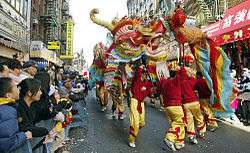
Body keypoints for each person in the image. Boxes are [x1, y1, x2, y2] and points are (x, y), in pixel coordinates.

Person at [156, 68, 185, 151]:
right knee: (179, 122)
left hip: (167, 107)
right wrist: (181, 68)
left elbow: (158, 87)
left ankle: (179, 142)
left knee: (176, 124)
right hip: (176, 105)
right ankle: (170, 138)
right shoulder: (176, 80)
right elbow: (183, 74)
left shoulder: (164, 82)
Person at [0, 77, 32, 152]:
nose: (19, 89)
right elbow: (7, 144)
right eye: (16, 87)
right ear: (8, 95)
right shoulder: (7, 111)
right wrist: (24, 135)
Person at [128, 65, 153, 148]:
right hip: (134, 101)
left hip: (141, 103)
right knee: (135, 122)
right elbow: (137, 74)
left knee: (141, 123)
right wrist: (141, 67)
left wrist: (154, 90)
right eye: (144, 73)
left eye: (146, 74)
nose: (145, 75)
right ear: (141, 74)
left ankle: (135, 129)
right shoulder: (136, 79)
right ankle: (132, 139)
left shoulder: (148, 83)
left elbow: (151, 93)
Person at [181, 67, 206, 144]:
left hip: (185, 103)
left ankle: (191, 136)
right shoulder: (192, 80)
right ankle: (201, 131)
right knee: (199, 117)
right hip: (194, 102)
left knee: (189, 120)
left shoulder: (180, 82)